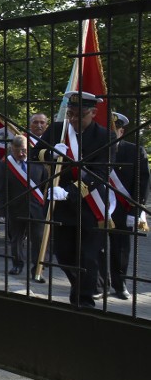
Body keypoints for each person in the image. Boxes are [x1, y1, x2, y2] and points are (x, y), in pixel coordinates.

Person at [32, 90, 115, 309]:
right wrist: (50, 154)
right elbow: (36, 153)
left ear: (94, 112)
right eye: (70, 114)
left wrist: (70, 191)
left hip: (91, 205)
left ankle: (83, 304)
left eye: (80, 115)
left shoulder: (105, 136)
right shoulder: (59, 129)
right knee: (64, 255)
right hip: (61, 207)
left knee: (87, 258)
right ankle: (84, 288)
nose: (74, 120)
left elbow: (100, 172)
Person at [98, 112, 149, 300]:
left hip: (123, 208)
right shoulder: (95, 150)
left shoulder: (134, 151)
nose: (111, 134)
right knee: (98, 248)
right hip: (98, 207)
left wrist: (136, 210)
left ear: (122, 131)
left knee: (121, 249)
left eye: (115, 131)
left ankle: (120, 285)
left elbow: (142, 183)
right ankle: (102, 284)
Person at [0, 134, 47, 280]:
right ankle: (17, 264)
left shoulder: (39, 166)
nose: (21, 153)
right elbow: (1, 188)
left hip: (36, 210)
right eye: (17, 150)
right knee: (16, 239)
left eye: (24, 150)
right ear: (11, 149)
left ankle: (37, 269)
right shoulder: (4, 166)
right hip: (15, 209)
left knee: (38, 240)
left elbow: (45, 187)